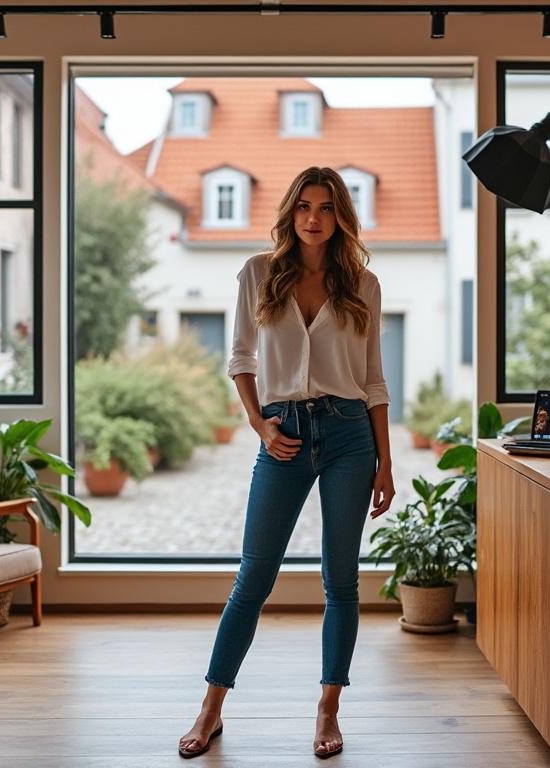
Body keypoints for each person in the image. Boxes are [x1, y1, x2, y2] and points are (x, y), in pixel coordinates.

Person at [177, 167, 395, 760]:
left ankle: (328, 709)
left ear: (341, 215)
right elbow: (241, 358)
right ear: (290, 213)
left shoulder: (364, 285)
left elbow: (374, 381)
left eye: (325, 207)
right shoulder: (258, 274)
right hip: (284, 434)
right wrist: (258, 423)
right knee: (253, 578)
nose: (313, 217)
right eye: (303, 206)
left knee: (341, 581)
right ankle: (211, 707)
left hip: (351, 436)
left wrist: (386, 464)